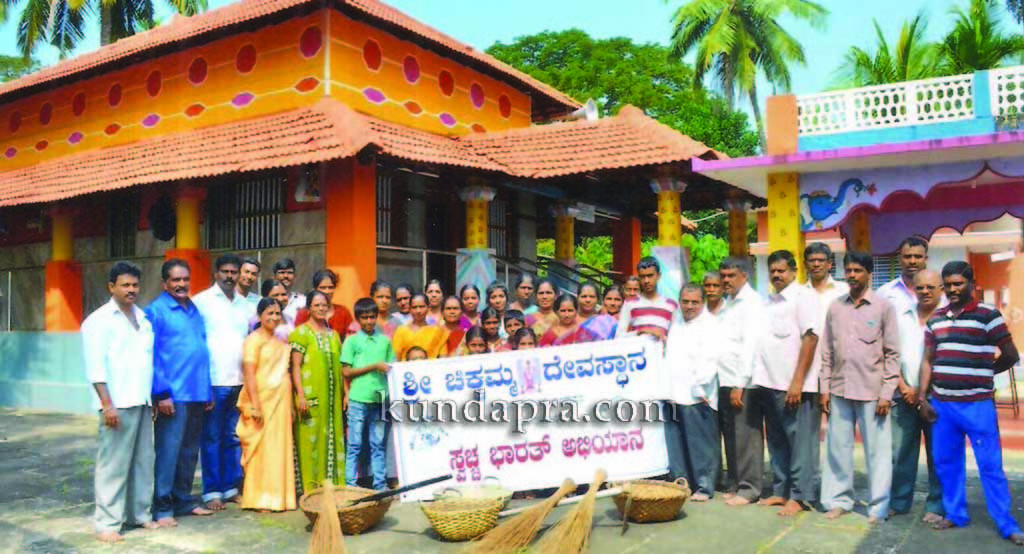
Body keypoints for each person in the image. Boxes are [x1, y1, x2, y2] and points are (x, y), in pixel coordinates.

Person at [918, 262, 1024, 545]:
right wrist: (922, 398)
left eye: (958, 283)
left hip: (977, 405)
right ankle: (956, 514)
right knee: (947, 463)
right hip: (943, 405)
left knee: (990, 465)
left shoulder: (988, 315)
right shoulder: (936, 319)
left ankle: (1006, 524)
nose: (953, 289)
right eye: (948, 285)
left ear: (971, 284)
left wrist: (985, 371)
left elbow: (1011, 354)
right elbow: (928, 361)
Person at [819, 251, 899, 524]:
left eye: (857, 270)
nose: (852, 275)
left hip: (872, 393)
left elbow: (892, 353)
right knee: (837, 450)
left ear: (868, 273)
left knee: (877, 453)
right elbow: (827, 351)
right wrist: (824, 388)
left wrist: (887, 393)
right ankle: (839, 500)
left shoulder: (883, 307)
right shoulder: (835, 307)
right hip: (839, 389)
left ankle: (878, 507)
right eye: (848, 270)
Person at [84, 262, 160, 542]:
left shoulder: (143, 318)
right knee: (113, 466)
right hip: (116, 403)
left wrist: (151, 398)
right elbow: (95, 368)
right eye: (125, 285)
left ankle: (139, 515)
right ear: (111, 287)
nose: (131, 290)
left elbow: (146, 362)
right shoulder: (98, 321)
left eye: (135, 285)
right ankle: (107, 523)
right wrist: (107, 404)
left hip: (141, 400)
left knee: (143, 462)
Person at [749, 250, 821, 516]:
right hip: (769, 382)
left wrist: (797, 382)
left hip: (794, 385)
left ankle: (799, 496)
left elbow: (811, 338)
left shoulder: (804, 297)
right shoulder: (769, 301)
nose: (776, 275)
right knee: (777, 441)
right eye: (773, 271)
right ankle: (781, 491)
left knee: (800, 443)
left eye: (781, 270)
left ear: (794, 271)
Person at [145, 259, 213, 526]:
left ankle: (183, 500)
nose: (182, 284)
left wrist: (206, 389)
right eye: (176, 280)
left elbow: (201, 349)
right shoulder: (156, 311)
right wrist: (161, 393)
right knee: (168, 452)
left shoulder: (193, 308)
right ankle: (162, 507)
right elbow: (151, 355)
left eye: (185, 279)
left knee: (189, 452)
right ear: (165, 283)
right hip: (173, 395)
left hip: (196, 391)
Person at [193, 254, 252, 511]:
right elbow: (197, 345)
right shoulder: (201, 302)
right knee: (211, 438)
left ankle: (230, 488)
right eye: (225, 271)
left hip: (239, 381)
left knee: (232, 437)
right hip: (214, 382)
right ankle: (212, 492)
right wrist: (203, 385)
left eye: (233, 272)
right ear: (215, 274)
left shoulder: (244, 305)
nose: (229, 276)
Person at [890, 269, 944, 523]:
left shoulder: (948, 318)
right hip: (904, 395)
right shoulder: (901, 316)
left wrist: (922, 392)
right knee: (901, 452)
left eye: (930, 287)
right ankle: (899, 502)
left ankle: (937, 505)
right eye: (920, 287)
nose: (924, 291)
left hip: (937, 397)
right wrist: (903, 387)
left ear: (941, 289)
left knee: (938, 453)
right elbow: (889, 353)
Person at [236, 298, 296, 512]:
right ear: (260, 315)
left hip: (280, 401)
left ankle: (281, 498)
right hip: (261, 400)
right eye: (269, 313)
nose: (274, 317)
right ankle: (260, 499)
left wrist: (291, 405)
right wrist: (255, 404)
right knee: (262, 450)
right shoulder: (253, 341)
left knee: (279, 449)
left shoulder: (281, 342)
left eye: (277, 313)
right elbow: (249, 374)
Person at [663, 284, 722, 502]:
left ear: (703, 302)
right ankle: (682, 483)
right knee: (676, 443)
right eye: (685, 301)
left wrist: (700, 386)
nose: (689, 306)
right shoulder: (676, 321)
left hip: (698, 394)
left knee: (700, 444)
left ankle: (704, 487)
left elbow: (711, 358)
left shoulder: (710, 324)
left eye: (694, 302)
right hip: (673, 391)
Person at [716, 256, 767, 506]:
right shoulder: (728, 303)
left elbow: (750, 345)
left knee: (746, 436)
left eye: (731, 276)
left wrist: (740, 383)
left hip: (744, 381)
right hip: (725, 378)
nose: (726, 280)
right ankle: (736, 482)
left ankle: (750, 488)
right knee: (732, 436)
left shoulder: (752, 303)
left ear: (744, 276)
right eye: (723, 276)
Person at [290, 290, 345, 494]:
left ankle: (332, 488)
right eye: (317, 305)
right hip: (310, 396)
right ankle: (311, 490)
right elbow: (295, 366)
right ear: (309, 308)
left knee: (331, 438)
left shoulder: (333, 335)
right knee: (310, 443)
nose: (321, 309)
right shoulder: (301, 333)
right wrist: (300, 395)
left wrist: (345, 394)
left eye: (324, 305)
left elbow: (341, 367)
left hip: (332, 399)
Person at [342, 297, 396, 492]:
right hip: (358, 398)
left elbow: (393, 369)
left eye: (372, 317)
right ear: (358, 319)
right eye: (364, 318)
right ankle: (350, 485)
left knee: (378, 444)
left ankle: (380, 484)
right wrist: (373, 366)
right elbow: (346, 371)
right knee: (355, 444)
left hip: (380, 398)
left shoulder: (384, 341)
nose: (369, 321)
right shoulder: (351, 341)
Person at [616, 257, 678, 341]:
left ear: (658, 276)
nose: (646, 281)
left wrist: (661, 336)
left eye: (650, 276)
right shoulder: (630, 304)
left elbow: (675, 338)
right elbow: (619, 336)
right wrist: (640, 332)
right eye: (642, 277)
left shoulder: (671, 305)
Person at [294, 269, 354, 338]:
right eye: (323, 288)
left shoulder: (342, 313)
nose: (327, 291)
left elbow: (351, 338)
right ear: (315, 289)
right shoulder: (304, 313)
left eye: (330, 287)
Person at [878, 236, 929, 317]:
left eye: (918, 257)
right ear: (899, 259)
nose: (912, 261)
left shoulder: (939, 293)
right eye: (907, 257)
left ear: (926, 259)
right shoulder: (884, 293)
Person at [392, 293, 449, 360]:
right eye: (414, 307)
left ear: (428, 307)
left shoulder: (437, 332)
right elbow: (395, 357)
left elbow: (442, 357)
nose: (418, 311)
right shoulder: (401, 331)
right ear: (410, 309)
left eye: (422, 307)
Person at [273, 258, 305, 324]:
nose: (286, 276)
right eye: (282, 272)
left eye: (290, 273)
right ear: (274, 276)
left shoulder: (302, 301)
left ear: (295, 276)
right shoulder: (267, 300)